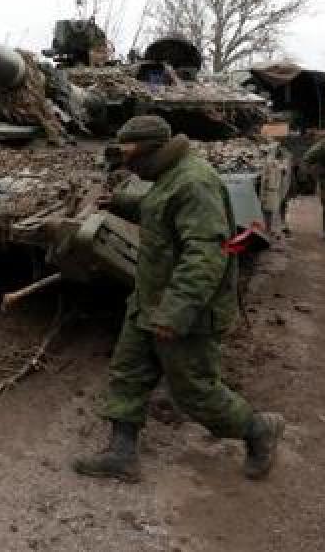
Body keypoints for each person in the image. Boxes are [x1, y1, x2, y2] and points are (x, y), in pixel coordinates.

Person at [72, 115, 284, 482]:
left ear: (151, 150)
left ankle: (258, 429)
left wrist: (174, 313)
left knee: (194, 390)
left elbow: (204, 254)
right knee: (129, 372)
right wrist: (122, 204)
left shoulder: (194, 182)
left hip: (184, 308)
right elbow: (162, 211)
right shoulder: (169, 176)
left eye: (128, 152)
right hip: (151, 298)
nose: (124, 161)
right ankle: (122, 454)